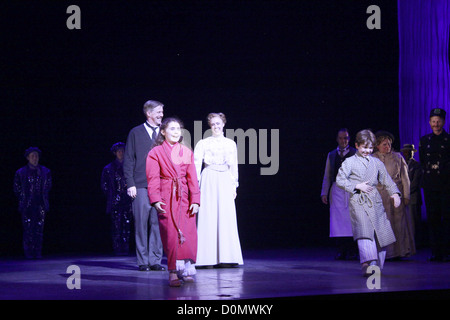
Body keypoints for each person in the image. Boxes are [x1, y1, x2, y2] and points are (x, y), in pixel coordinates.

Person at [336, 129, 401, 276]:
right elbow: (340, 180)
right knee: (364, 233)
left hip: (375, 201)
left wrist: (395, 194)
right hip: (358, 201)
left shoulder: (377, 163)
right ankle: (367, 264)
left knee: (381, 236)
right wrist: (356, 186)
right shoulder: (349, 162)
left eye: (370, 148)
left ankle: (376, 265)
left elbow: (387, 181)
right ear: (357, 145)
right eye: (364, 147)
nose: (367, 151)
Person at [146, 117, 200, 287]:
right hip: (167, 196)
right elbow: (153, 178)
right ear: (163, 132)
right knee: (170, 234)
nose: (177, 132)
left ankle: (186, 270)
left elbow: (193, 179)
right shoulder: (155, 153)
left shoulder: (186, 151)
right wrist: (155, 199)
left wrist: (195, 200)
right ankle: (173, 271)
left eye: (179, 129)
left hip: (184, 196)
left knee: (188, 233)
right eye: (172, 129)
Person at [194, 113, 244, 267]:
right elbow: (196, 165)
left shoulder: (230, 144)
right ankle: (206, 258)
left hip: (224, 179)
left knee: (225, 216)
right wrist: (196, 186)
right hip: (209, 178)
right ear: (210, 126)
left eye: (218, 123)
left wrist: (234, 184)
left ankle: (227, 257)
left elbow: (233, 166)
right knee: (208, 216)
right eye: (213, 124)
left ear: (223, 124)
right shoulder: (203, 143)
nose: (216, 126)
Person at [123, 100, 165, 271]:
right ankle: (143, 261)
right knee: (141, 224)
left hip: (161, 186)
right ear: (149, 113)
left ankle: (155, 260)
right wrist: (130, 183)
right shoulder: (135, 132)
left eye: (162, 112)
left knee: (158, 224)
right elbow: (128, 159)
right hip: (140, 185)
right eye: (159, 112)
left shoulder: (163, 133)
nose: (161, 115)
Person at [372, 131, 415, 259]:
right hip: (380, 197)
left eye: (389, 144)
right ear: (377, 146)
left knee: (398, 225)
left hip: (395, 195)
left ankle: (399, 252)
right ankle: (384, 253)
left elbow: (405, 178)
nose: (387, 147)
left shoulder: (398, 157)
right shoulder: (372, 159)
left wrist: (407, 195)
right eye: (384, 144)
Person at [321, 128, 357, 260]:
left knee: (352, 221)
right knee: (338, 223)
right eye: (341, 138)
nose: (343, 140)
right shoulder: (331, 155)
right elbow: (327, 174)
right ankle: (341, 250)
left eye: (346, 138)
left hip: (351, 189)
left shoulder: (355, 153)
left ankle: (352, 250)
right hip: (337, 190)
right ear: (337, 139)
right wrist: (324, 192)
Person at [419, 108, 450, 262]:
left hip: (446, 185)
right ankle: (435, 252)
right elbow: (423, 162)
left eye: (439, 121)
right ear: (430, 122)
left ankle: (447, 251)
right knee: (433, 219)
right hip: (430, 185)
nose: (436, 124)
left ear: (443, 122)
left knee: (447, 218)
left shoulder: (448, 140)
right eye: (433, 121)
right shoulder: (425, 141)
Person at [13, 147, 52, 259]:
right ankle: (28, 252)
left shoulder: (45, 171)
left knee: (39, 229)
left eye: (36, 156)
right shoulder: (21, 172)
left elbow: (48, 185)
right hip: (27, 204)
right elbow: (16, 187)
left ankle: (37, 252)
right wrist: (23, 198)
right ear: (28, 158)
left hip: (40, 204)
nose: (35, 158)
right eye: (32, 156)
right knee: (28, 228)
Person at [101, 142, 133, 255]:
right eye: (119, 151)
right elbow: (104, 185)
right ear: (115, 153)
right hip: (115, 199)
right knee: (116, 224)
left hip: (128, 199)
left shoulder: (129, 166)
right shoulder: (109, 168)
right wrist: (112, 195)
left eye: (123, 151)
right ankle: (117, 248)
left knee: (127, 223)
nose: (121, 153)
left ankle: (125, 247)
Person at [400, 143, 424, 247]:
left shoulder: (417, 165)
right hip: (402, 198)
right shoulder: (400, 165)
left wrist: (406, 193)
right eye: (405, 152)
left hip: (413, 198)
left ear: (412, 153)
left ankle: (415, 244)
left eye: (409, 152)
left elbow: (415, 183)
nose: (407, 154)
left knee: (414, 223)